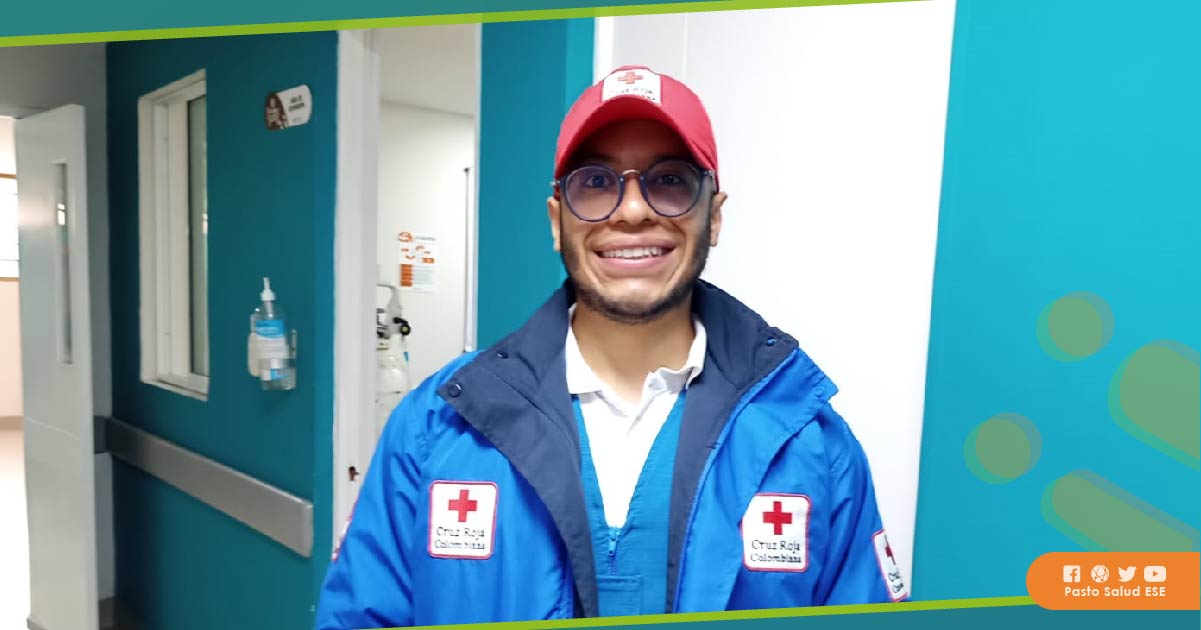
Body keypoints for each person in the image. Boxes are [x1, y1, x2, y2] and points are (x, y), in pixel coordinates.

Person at [315, 65, 907, 629]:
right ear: (557, 220)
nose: (632, 211)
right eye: (596, 183)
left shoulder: (808, 444)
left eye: (670, 181)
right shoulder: (436, 429)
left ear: (714, 217)